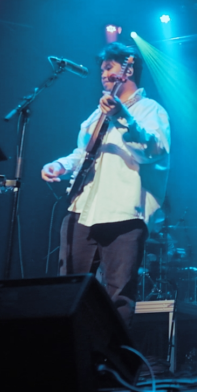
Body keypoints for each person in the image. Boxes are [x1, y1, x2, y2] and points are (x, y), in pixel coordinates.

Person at [41, 42, 170, 326]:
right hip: (82, 211)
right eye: (101, 69)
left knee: (118, 296)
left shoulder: (151, 110)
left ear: (128, 70)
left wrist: (121, 115)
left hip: (124, 213)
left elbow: (151, 151)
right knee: (69, 291)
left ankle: (114, 352)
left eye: (108, 67)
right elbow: (83, 153)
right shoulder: (95, 115)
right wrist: (60, 165)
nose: (102, 74)